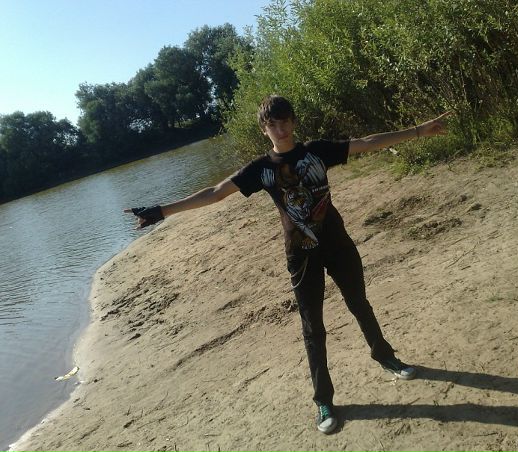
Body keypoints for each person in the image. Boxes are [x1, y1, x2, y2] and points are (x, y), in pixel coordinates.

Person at [126, 95, 450, 434]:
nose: (280, 129)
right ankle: (323, 400)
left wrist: (419, 131)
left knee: (359, 303)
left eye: (284, 122)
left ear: (293, 122)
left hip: (338, 245)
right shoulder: (261, 169)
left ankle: (385, 356)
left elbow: (367, 143)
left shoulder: (317, 151)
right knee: (313, 328)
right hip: (301, 256)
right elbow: (216, 192)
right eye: (272, 124)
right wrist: (162, 211)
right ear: (264, 129)